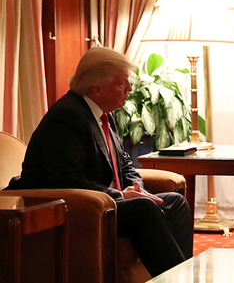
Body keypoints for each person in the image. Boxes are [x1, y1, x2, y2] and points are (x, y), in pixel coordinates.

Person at [19, 47, 193, 276]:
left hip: (105, 203)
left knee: (175, 203)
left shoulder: (104, 113)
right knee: (144, 209)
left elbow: (123, 163)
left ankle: (183, 276)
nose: (130, 89)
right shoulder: (66, 116)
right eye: (122, 83)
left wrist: (136, 186)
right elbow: (67, 180)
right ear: (96, 89)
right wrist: (120, 195)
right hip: (75, 209)